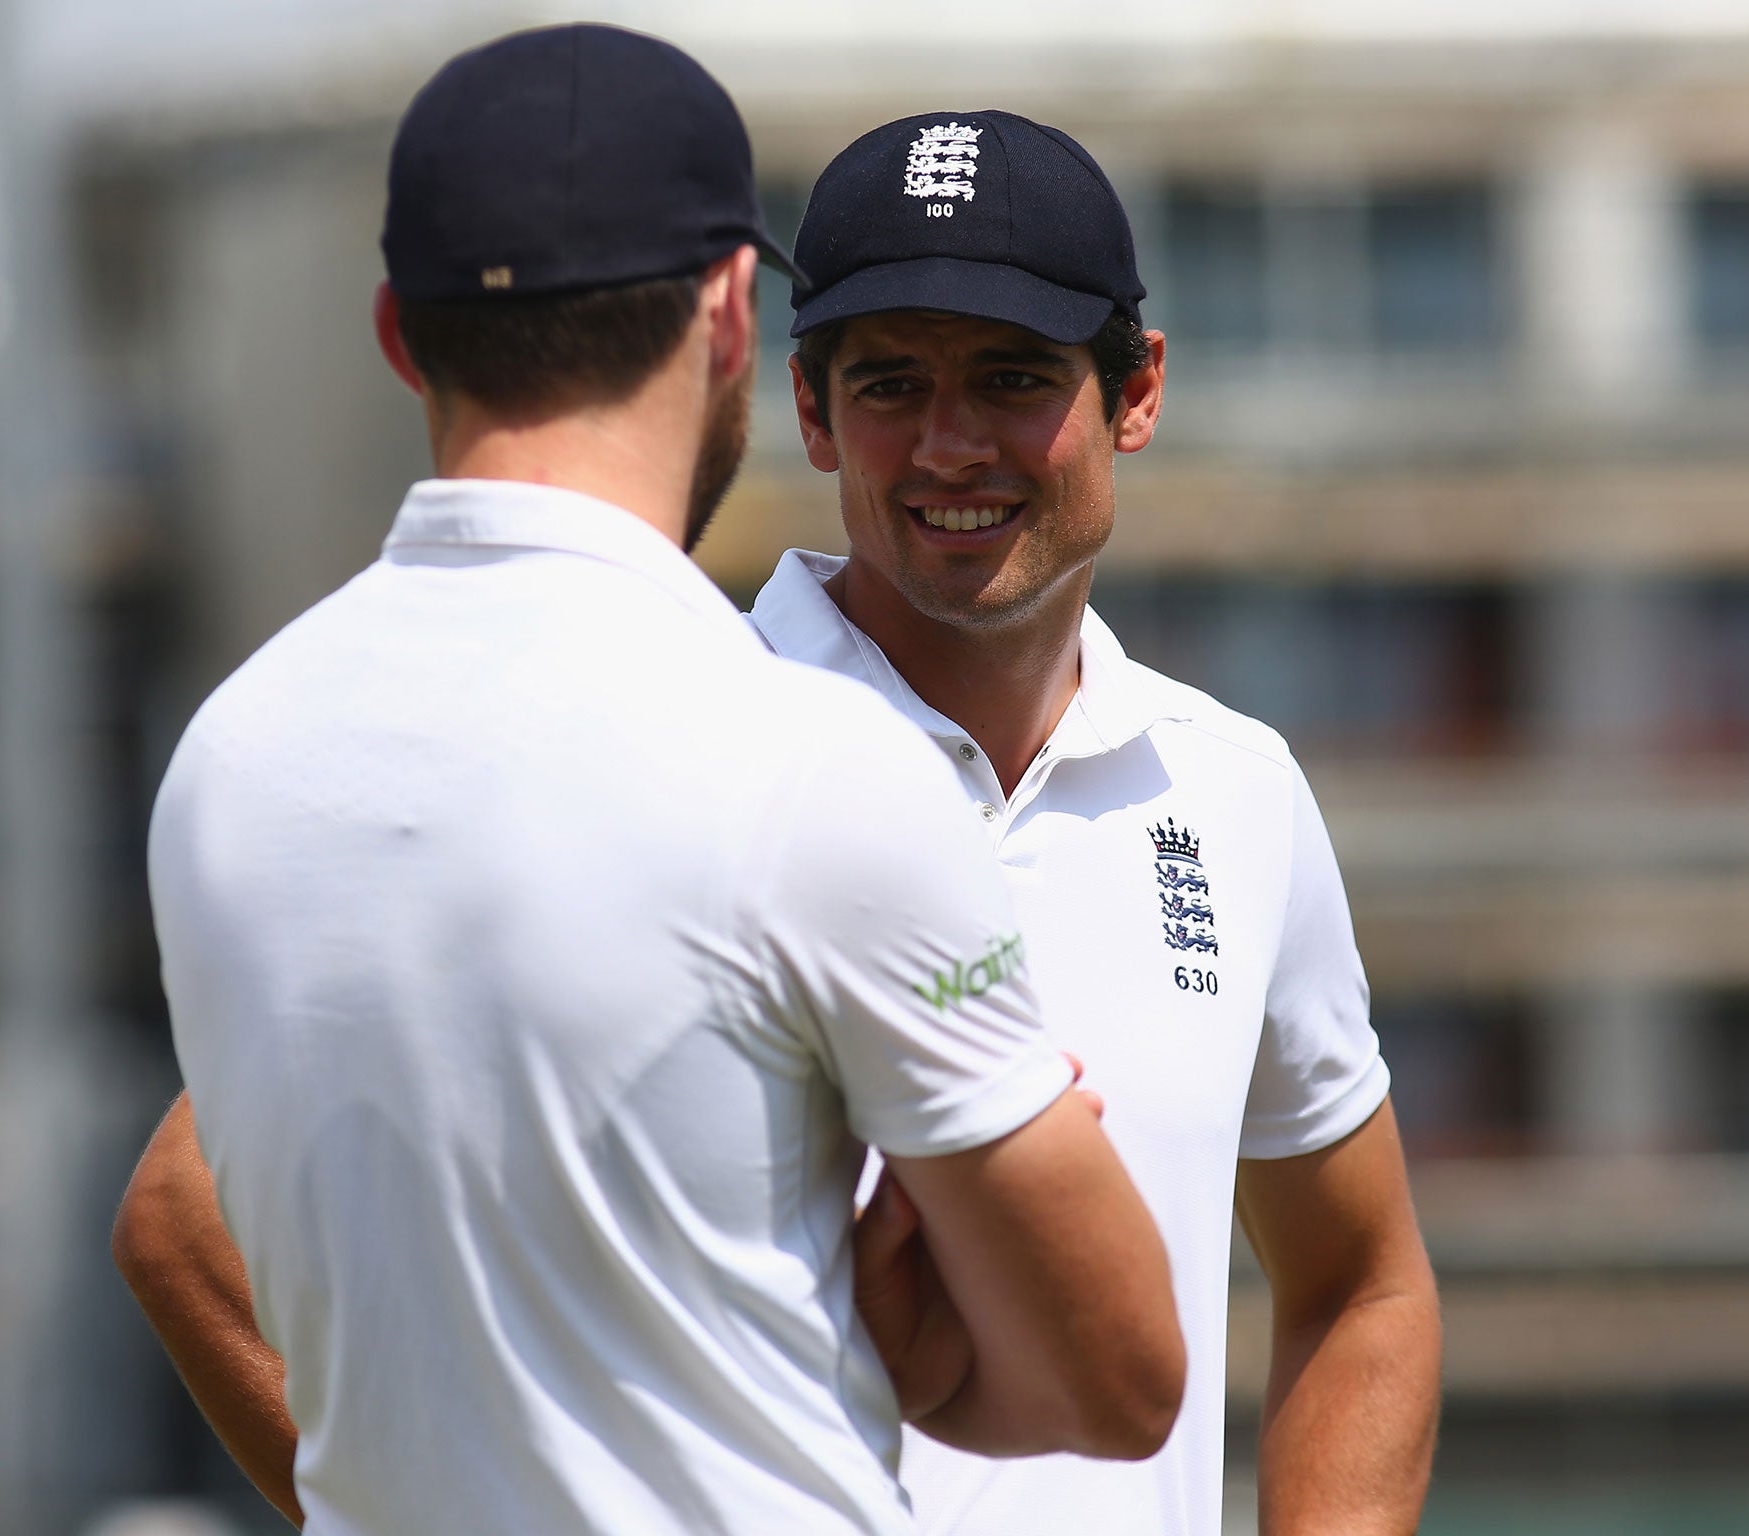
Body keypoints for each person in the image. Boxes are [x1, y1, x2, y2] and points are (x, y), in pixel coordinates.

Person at [129, 28, 1182, 1536]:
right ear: (732, 314)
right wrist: (902, 1336)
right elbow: (1123, 1378)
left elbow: (182, 1228)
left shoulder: (230, 761)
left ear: (396, 331)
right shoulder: (814, 763)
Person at [769, 111, 1442, 1535]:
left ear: (1136, 390)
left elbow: (1363, 1289)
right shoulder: (674, 741)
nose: (949, 447)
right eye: (890, 383)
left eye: (1012, 379)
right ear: (813, 410)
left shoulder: (1232, 788)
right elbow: (189, 1221)